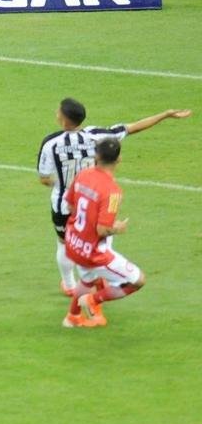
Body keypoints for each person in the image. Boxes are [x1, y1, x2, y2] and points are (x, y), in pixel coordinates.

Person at [37, 98, 190, 295]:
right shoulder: (97, 136)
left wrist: (60, 185)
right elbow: (132, 128)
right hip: (92, 203)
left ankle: (69, 285)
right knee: (95, 244)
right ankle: (94, 283)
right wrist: (165, 114)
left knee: (63, 243)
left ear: (64, 120)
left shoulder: (50, 143)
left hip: (63, 205)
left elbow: (43, 177)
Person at [61, 137, 141, 328]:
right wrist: (118, 228)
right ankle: (92, 301)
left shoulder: (83, 174)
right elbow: (103, 230)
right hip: (92, 253)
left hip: (73, 242)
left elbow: (70, 205)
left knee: (87, 279)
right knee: (137, 281)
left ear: (96, 155)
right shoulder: (113, 192)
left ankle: (72, 317)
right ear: (119, 159)